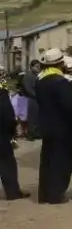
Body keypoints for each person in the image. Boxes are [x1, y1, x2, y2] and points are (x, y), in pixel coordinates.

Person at [35, 48, 72, 204]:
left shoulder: (40, 80)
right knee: (60, 161)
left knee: (46, 160)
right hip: (61, 127)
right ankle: (56, 194)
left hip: (45, 126)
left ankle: (44, 194)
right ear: (61, 63)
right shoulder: (61, 82)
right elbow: (68, 106)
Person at [0, 68, 27, 200]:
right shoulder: (1, 91)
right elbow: (6, 113)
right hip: (2, 134)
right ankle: (12, 192)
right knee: (7, 163)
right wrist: (12, 129)